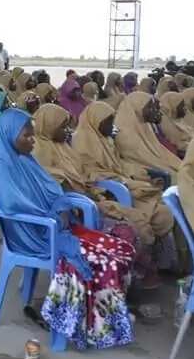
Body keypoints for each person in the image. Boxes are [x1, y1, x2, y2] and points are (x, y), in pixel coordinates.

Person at [0, 108, 135, 349]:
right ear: (9, 134)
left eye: (32, 135)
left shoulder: (22, 157)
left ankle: (102, 318)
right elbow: (11, 202)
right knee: (100, 259)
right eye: (26, 136)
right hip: (30, 233)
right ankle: (88, 326)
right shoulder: (0, 161)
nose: (32, 140)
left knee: (119, 248)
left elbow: (48, 187)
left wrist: (61, 205)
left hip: (47, 224)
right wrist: (52, 215)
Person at [33, 103, 163, 286]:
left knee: (138, 217)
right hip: (69, 216)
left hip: (87, 202)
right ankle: (114, 285)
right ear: (49, 126)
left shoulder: (62, 147)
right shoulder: (38, 152)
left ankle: (125, 281)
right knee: (129, 229)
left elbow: (83, 175)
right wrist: (84, 197)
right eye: (62, 126)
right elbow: (53, 189)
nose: (68, 131)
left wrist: (94, 192)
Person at [72, 102, 175, 266]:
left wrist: (141, 176)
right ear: (96, 121)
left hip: (122, 183)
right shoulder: (82, 141)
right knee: (149, 215)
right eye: (109, 121)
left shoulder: (106, 140)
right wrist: (125, 181)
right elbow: (91, 174)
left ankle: (162, 262)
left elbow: (119, 164)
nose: (112, 126)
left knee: (163, 209)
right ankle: (144, 267)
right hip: (108, 191)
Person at [115, 92, 181, 178]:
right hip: (144, 171)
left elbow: (158, 150)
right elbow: (146, 160)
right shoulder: (123, 132)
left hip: (157, 166)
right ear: (137, 108)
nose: (154, 110)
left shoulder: (143, 123)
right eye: (150, 107)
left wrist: (180, 166)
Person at [159, 92, 193, 157]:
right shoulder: (165, 124)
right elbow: (178, 146)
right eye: (182, 105)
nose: (186, 108)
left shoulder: (179, 120)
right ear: (173, 106)